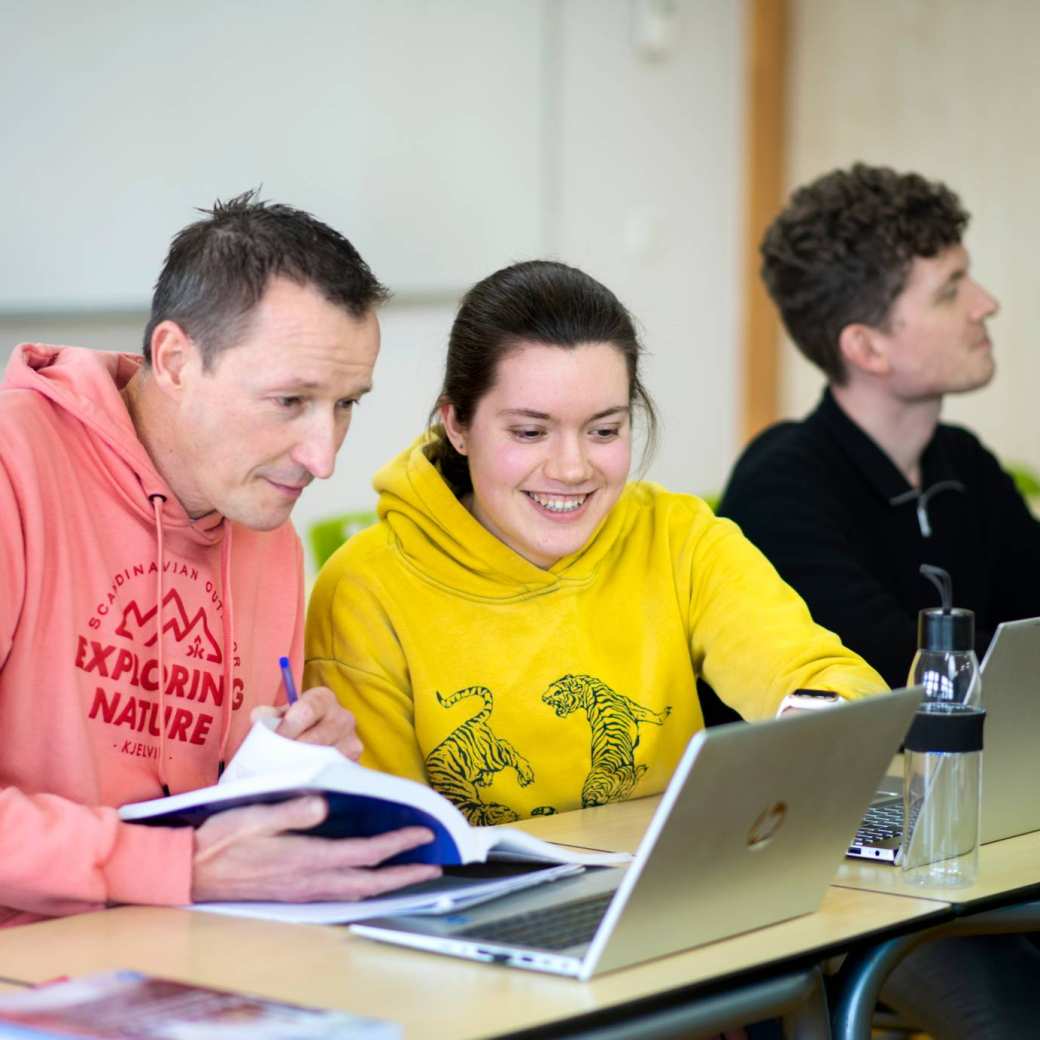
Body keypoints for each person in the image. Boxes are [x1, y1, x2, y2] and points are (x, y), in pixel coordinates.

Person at [304, 259, 885, 826]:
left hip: (664, 892)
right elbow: (384, 831)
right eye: (530, 432)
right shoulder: (367, 586)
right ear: (457, 425)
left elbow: (821, 673)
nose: (573, 467)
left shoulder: (677, 536)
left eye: (604, 431)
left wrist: (808, 716)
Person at [0, 192, 441, 928]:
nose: (323, 457)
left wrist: (291, 770)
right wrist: (182, 866)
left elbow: (213, 817)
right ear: (175, 360)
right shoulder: (15, 468)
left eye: (345, 404)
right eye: (290, 400)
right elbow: (190, 858)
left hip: (181, 943)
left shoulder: (265, 525)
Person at [718, 163, 1040, 689]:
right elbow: (907, 680)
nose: (986, 305)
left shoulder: (962, 462)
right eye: (949, 290)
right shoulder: (780, 488)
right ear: (867, 348)